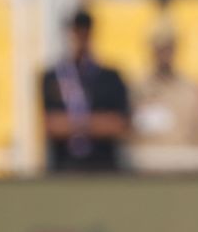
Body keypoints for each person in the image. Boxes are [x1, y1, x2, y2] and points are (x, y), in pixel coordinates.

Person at [41, 9, 131, 172]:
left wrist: (72, 124)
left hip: (104, 167)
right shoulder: (53, 76)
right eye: (77, 31)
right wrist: (96, 123)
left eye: (85, 31)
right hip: (64, 167)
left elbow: (119, 125)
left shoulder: (111, 77)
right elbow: (51, 125)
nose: (81, 37)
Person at [128, 17, 198, 172]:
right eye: (159, 46)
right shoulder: (137, 91)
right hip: (147, 177)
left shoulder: (192, 90)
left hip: (184, 177)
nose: (164, 53)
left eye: (168, 46)